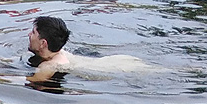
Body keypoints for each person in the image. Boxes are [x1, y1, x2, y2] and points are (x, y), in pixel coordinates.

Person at [27, 15, 159, 83]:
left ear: (43, 43)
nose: (29, 35)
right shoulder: (59, 54)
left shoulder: (49, 66)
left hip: (121, 69)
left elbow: (35, 80)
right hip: (119, 61)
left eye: (33, 33)